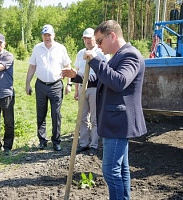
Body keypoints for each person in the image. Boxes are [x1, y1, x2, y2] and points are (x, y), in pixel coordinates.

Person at [62, 20, 147, 199]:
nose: (98, 46)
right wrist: (76, 76)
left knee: (110, 171)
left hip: (118, 123)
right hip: (114, 121)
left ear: (112, 36)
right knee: (121, 170)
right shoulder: (117, 56)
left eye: (100, 41)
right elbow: (103, 80)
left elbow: (119, 82)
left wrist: (95, 60)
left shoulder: (130, 55)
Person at [25, 24, 72, 151]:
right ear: (42, 36)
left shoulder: (60, 48)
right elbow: (32, 67)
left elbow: (67, 66)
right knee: (41, 113)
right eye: (45, 35)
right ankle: (42, 140)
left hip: (56, 85)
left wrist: (69, 84)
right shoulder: (37, 48)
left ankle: (56, 141)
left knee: (56, 114)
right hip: (40, 85)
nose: (47, 37)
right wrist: (27, 83)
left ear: (54, 35)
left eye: (49, 35)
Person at [74, 28, 109, 156]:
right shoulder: (80, 54)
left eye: (90, 38)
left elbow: (105, 73)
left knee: (95, 118)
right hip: (83, 88)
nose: (87, 41)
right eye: (85, 38)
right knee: (82, 118)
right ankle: (84, 143)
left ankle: (94, 145)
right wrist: (76, 90)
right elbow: (77, 71)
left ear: (95, 38)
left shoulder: (101, 53)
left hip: (95, 89)